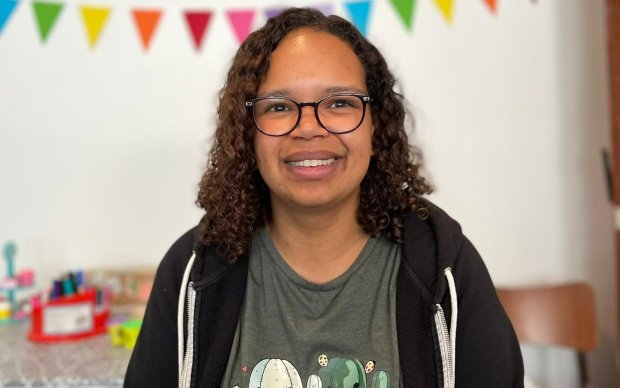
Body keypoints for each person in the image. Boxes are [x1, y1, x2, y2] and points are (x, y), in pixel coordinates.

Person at [125, 7, 524, 388]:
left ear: (376, 124)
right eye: (279, 106)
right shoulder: (192, 272)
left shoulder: (444, 265)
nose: (310, 128)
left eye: (339, 103)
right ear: (248, 132)